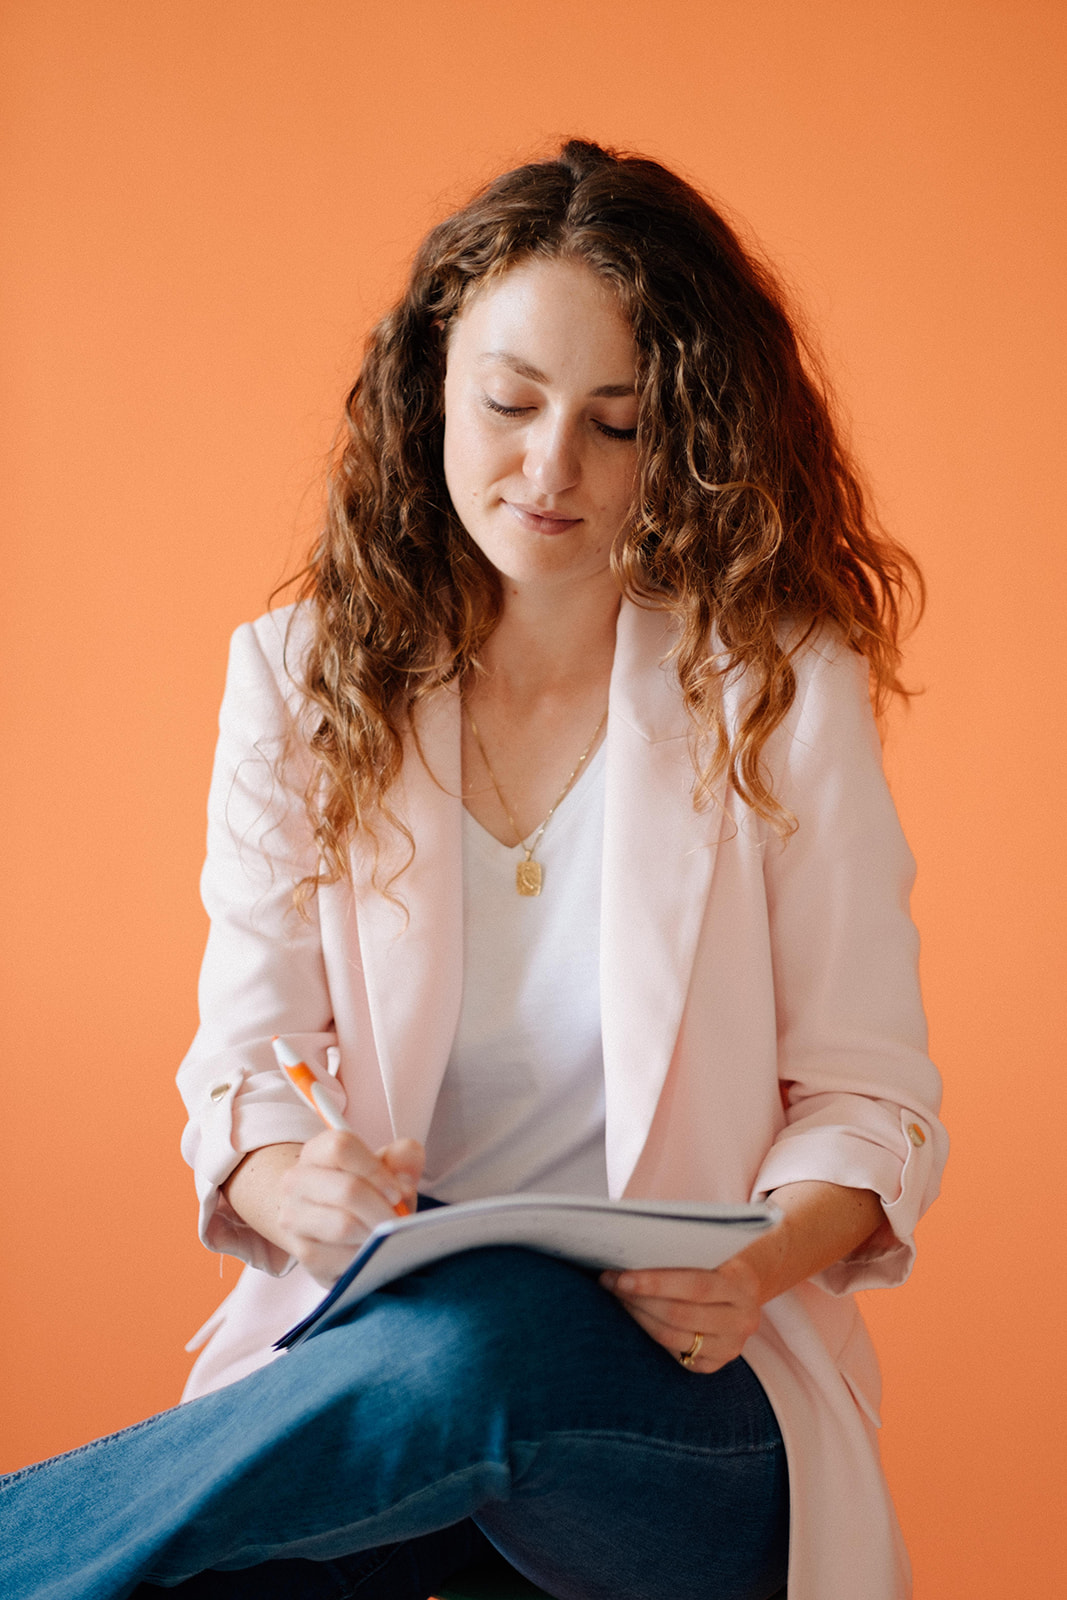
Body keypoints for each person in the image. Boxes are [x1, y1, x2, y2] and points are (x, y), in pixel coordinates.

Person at [0, 138, 947, 1600]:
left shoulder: (777, 688)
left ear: (684, 443)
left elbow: (868, 1105)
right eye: (509, 403)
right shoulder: (300, 679)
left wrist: (755, 1264)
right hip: (381, 1384)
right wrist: (275, 1178)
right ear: (432, 382)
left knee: (498, 1330)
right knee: (393, 1398)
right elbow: (240, 1066)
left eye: (617, 424)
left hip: (676, 1414)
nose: (549, 468)